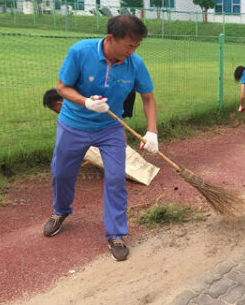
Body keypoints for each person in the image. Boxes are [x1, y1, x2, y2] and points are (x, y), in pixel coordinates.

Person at [43, 15, 158, 262]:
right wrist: (85, 102)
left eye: (137, 46)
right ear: (110, 39)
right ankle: (60, 211)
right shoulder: (80, 52)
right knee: (61, 172)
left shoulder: (134, 64)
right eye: (129, 45)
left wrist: (152, 132)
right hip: (73, 123)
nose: (133, 51)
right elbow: (62, 87)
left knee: (116, 178)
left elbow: (147, 97)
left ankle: (116, 234)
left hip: (110, 128)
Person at [43, 88, 159, 186]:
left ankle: (121, 163)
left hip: (121, 94)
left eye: (55, 110)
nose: (57, 113)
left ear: (60, 103)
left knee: (115, 127)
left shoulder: (78, 99)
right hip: (111, 96)